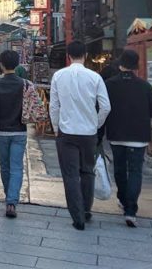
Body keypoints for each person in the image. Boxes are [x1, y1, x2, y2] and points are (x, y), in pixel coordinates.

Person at [49, 40, 110, 230]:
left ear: (68, 56)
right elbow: (106, 106)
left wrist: (56, 127)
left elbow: (54, 106)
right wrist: (96, 123)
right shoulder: (95, 77)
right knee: (87, 171)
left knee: (70, 175)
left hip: (66, 132)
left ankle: (77, 216)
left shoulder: (59, 76)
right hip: (88, 133)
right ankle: (86, 209)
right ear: (85, 56)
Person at [103, 50, 152, 227]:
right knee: (135, 171)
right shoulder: (144, 86)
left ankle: (123, 198)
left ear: (120, 65)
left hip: (117, 134)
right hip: (139, 136)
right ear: (136, 66)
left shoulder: (110, 84)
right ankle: (131, 210)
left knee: (119, 169)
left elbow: (104, 107)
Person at [0, 50, 29, 218]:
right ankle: (11, 201)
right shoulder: (25, 84)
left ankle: (9, 197)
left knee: (5, 166)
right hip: (20, 130)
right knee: (17, 167)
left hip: (1, 131)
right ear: (18, 64)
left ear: (1, 64)